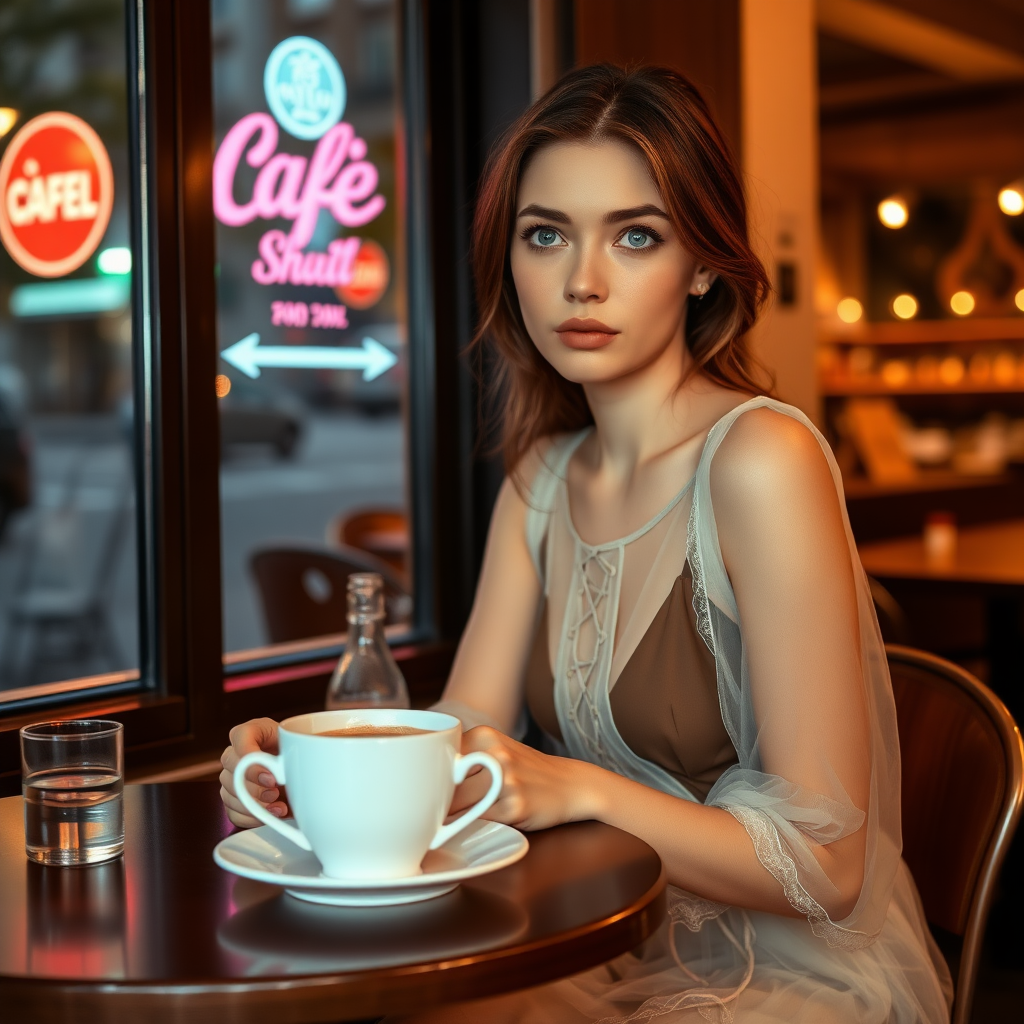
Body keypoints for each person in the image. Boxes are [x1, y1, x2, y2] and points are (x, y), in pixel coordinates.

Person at [220, 65, 952, 1023]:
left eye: (635, 235)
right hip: (598, 930)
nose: (581, 281)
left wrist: (576, 787)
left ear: (702, 264)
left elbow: (830, 870)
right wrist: (310, 769)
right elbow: (461, 721)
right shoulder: (541, 479)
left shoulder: (761, 461)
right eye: (546, 234)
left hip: (784, 973)